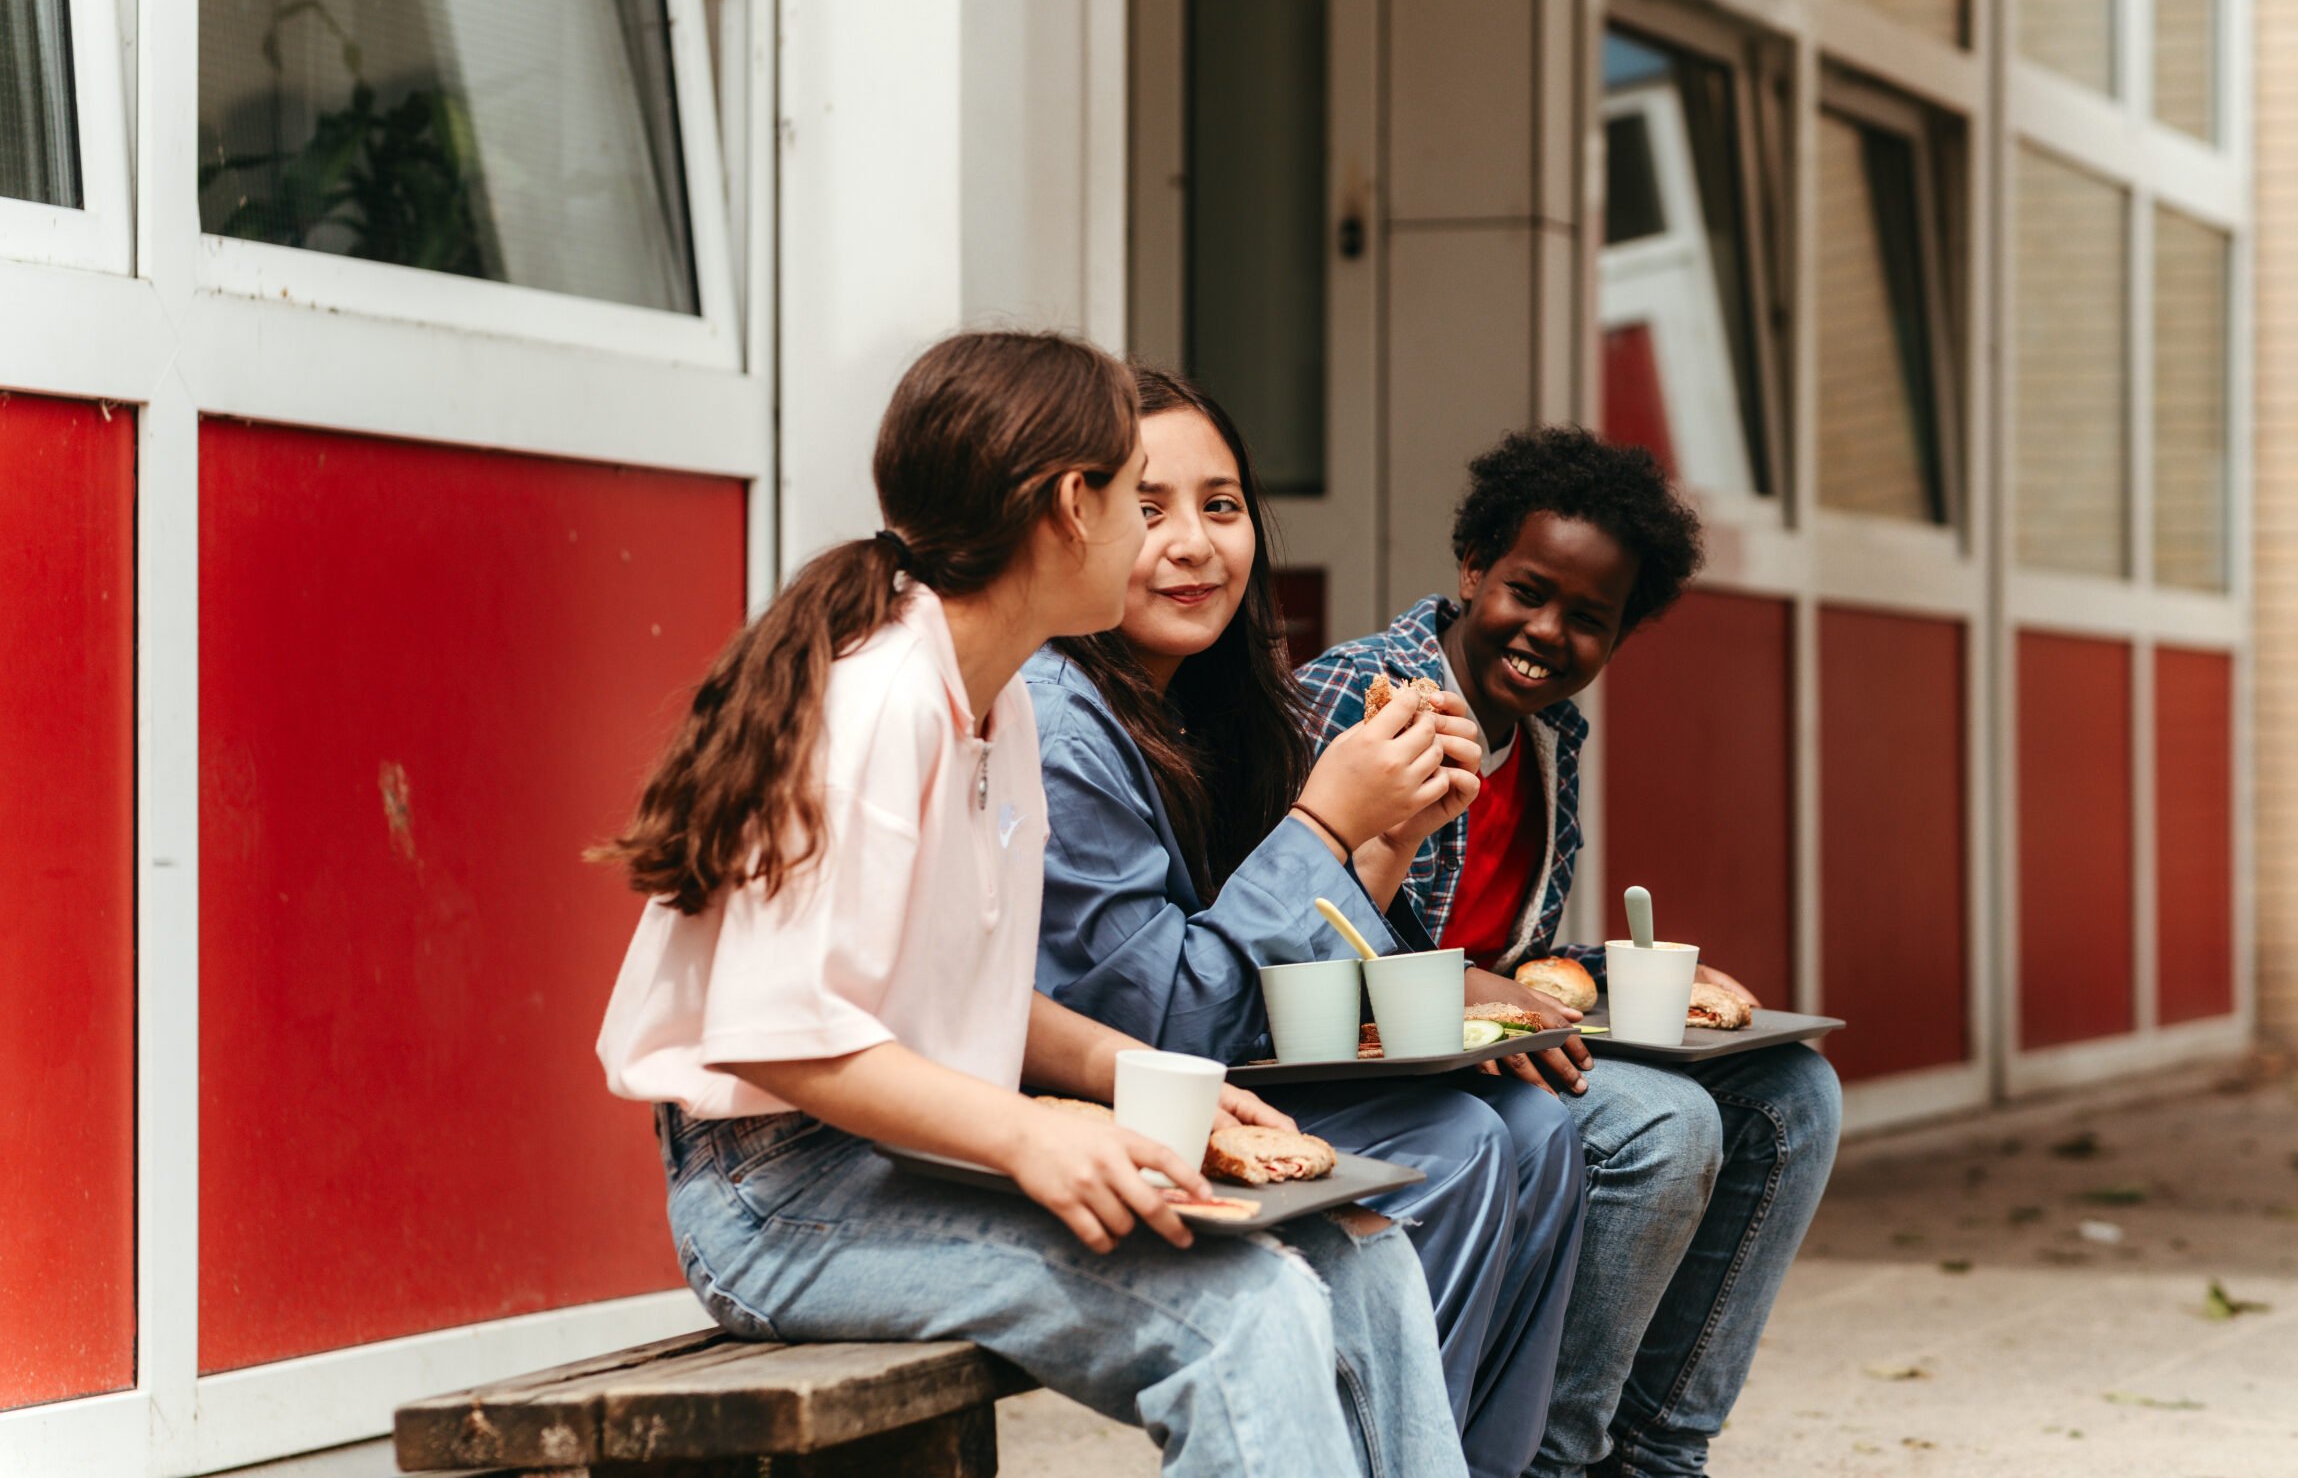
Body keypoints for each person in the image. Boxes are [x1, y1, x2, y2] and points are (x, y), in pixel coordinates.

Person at [592, 332, 1466, 1478]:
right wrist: (1034, 1130)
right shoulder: (876, 702)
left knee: (1361, 1249)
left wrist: (1156, 1090)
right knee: (1241, 1308)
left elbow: (979, 994)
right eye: (1134, 497)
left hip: (899, 1153)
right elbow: (781, 1035)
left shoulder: (991, 701)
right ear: (1069, 505)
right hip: (780, 1194)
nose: (1167, 536)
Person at [1026, 369, 1585, 1478]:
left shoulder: (1210, 698)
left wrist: (1390, 836)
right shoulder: (1060, 724)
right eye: (1150, 508)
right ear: (1071, 524)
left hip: (1219, 1065)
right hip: (1086, 1099)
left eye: (1222, 505)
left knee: (1543, 1127)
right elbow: (1172, 1018)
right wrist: (1332, 819)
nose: (1195, 543)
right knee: (1463, 1142)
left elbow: (1263, 964)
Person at [1299, 425, 1843, 1478]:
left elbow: (1507, 946)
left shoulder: (1549, 734)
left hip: (1484, 1044)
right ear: (1472, 568)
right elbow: (1293, 915)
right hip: (1373, 1063)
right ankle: (1552, 1458)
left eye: (1588, 618)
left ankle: (1651, 1453)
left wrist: (1604, 971)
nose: (1546, 631)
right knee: (1663, 1123)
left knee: (1792, 1092)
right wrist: (1471, 986)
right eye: (1526, 590)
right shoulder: (1361, 692)